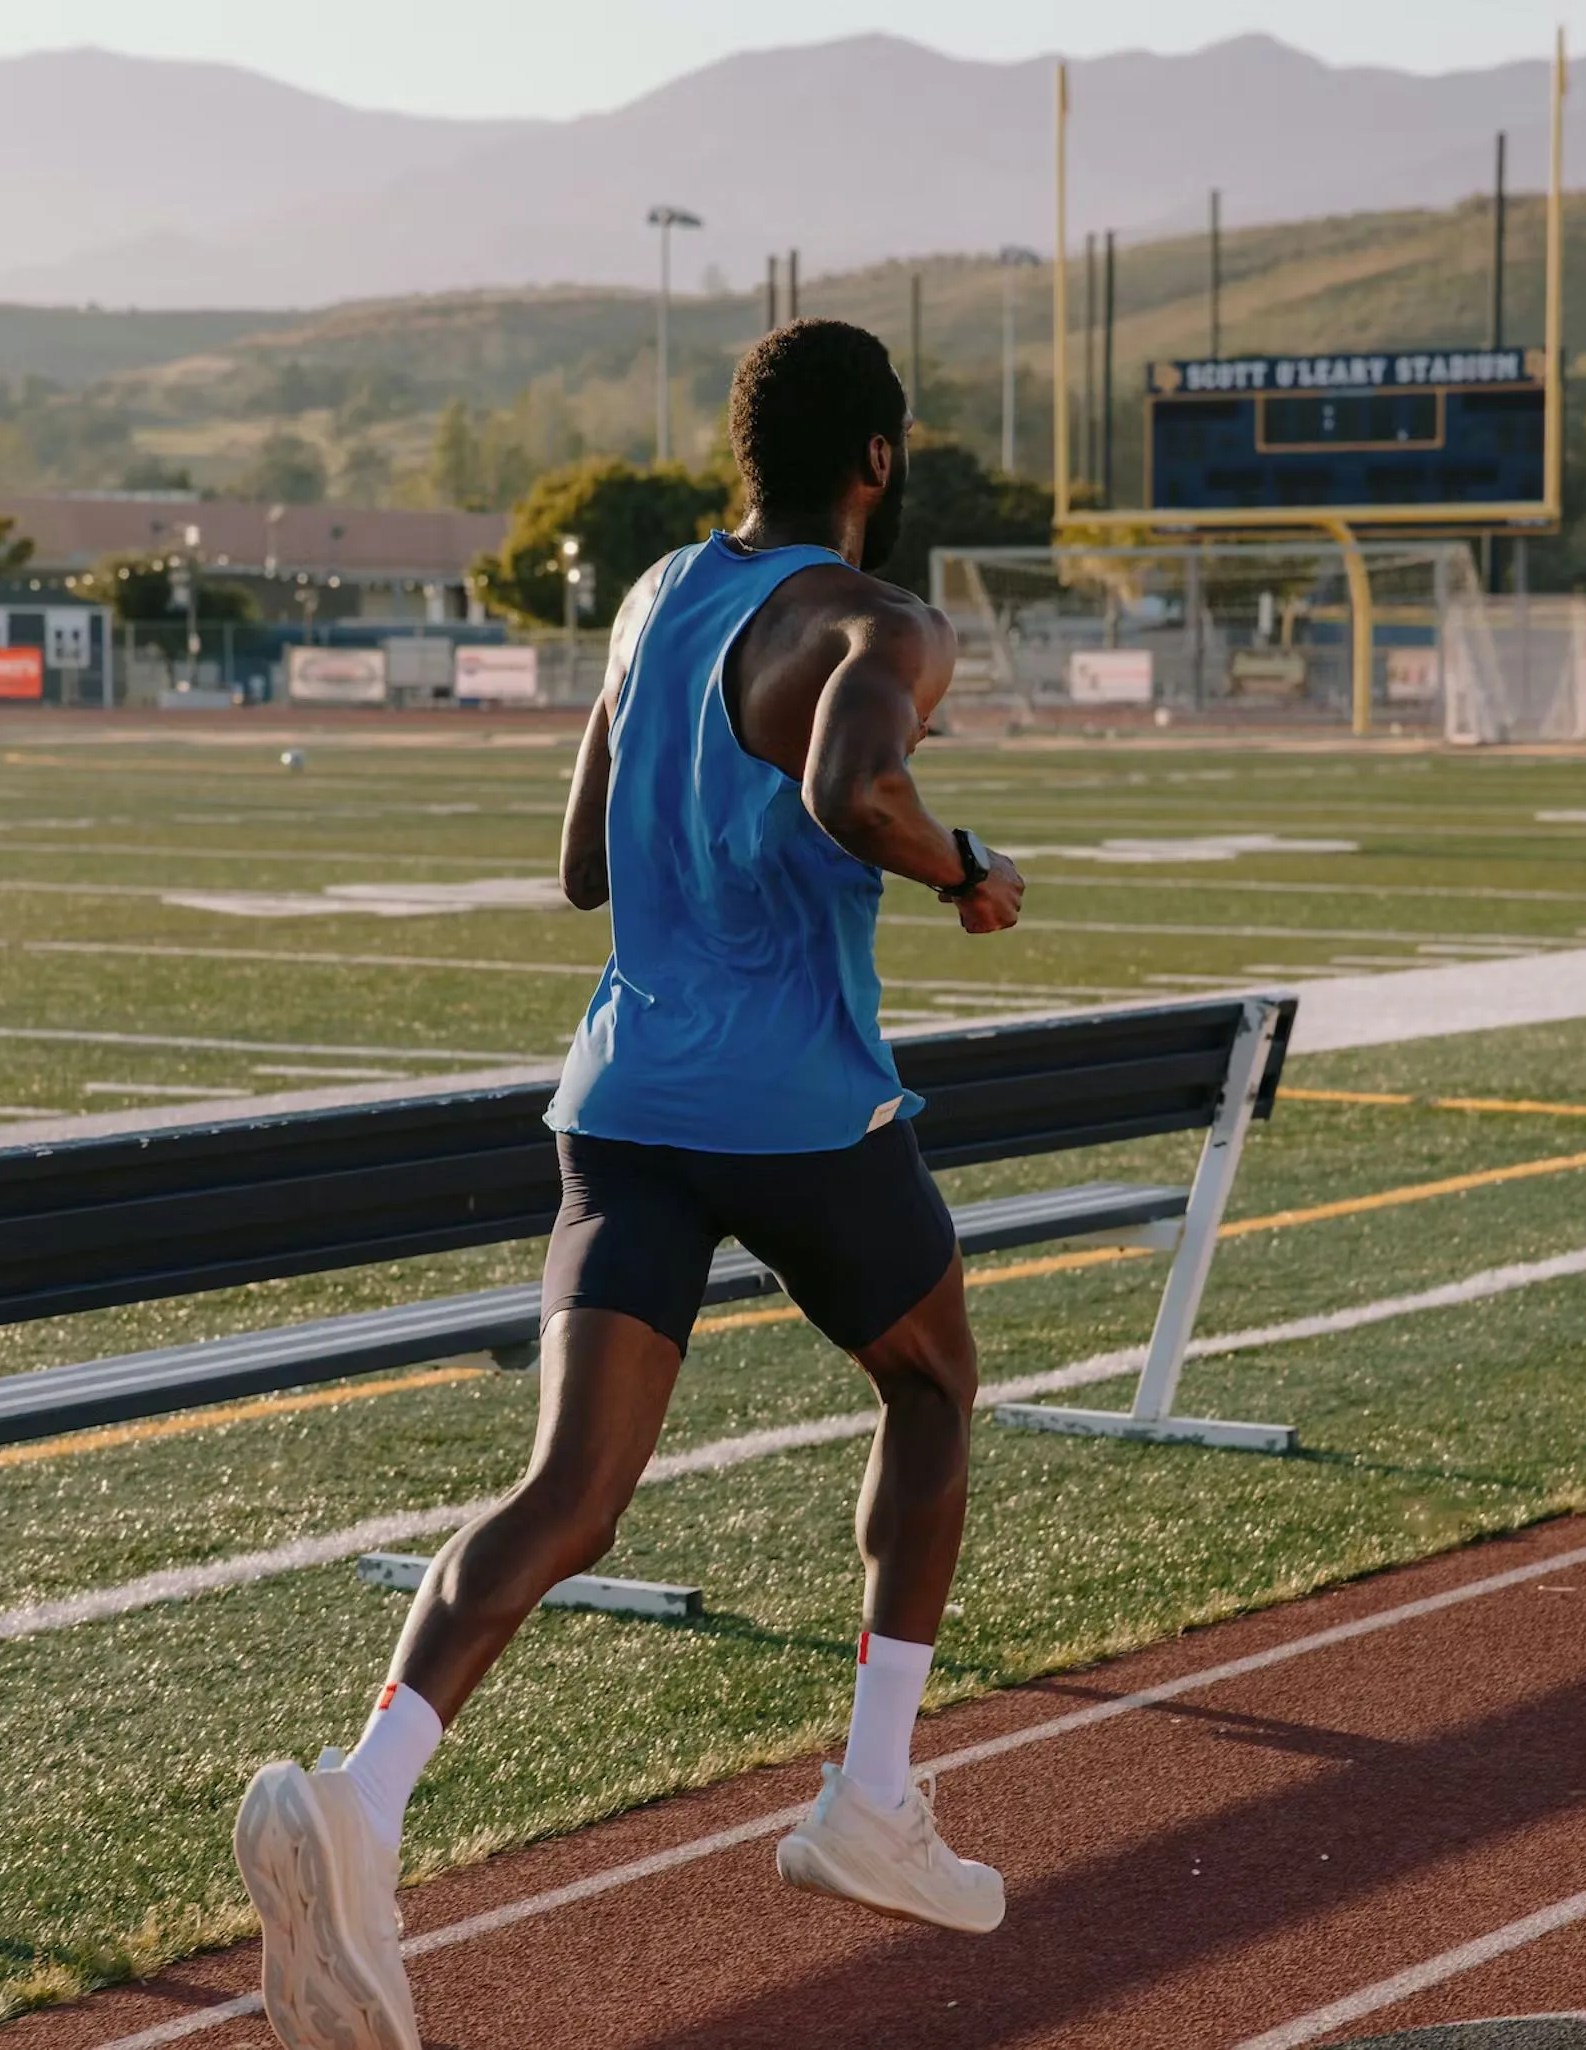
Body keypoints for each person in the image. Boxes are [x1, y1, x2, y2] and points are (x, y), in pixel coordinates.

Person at [233, 318, 1026, 2050]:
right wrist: (963, 864)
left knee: (568, 1490)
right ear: (876, 459)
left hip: (624, 1098)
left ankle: (359, 1807)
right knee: (936, 1379)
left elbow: (582, 862)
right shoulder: (881, 623)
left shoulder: (655, 594)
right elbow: (847, 779)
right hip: (796, 1104)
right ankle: (870, 1795)